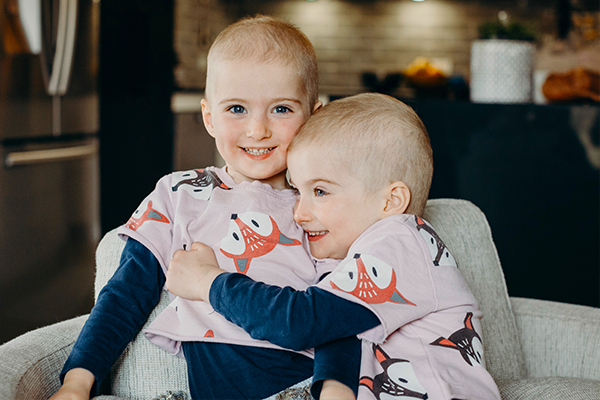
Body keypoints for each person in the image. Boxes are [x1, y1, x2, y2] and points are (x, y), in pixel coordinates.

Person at [51, 15, 376, 400]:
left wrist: (337, 390)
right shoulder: (179, 195)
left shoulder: (324, 204)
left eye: (281, 110)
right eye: (236, 109)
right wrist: (77, 380)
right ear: (209, 117)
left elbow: (339, 310)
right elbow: (123, 295)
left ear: (314, 115)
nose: (258, 130)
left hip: (305, 385)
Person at [166, 93, 502, 400]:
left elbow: (299, 323)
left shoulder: (403, 239)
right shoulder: (355, 266)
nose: (299, 213)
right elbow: (338, 337)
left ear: (392, 201)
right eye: (298, 191)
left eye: (321, 191)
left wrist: (208, 282)